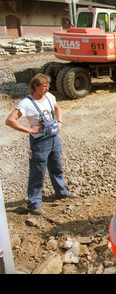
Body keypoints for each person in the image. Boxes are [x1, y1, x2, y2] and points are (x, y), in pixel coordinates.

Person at [5, 73, 75, 215]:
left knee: (56, 167)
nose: (47, 88)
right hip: (39, 143)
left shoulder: (49, 97)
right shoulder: (26, 103)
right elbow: (10, 120)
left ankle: (61, 192)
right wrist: (29, 130)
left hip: (54, 139)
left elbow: (57, 108)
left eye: (48, 85)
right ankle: (34, 203)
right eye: (44, 86)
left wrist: (60, 122)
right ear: (35, 86)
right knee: (37, 173)